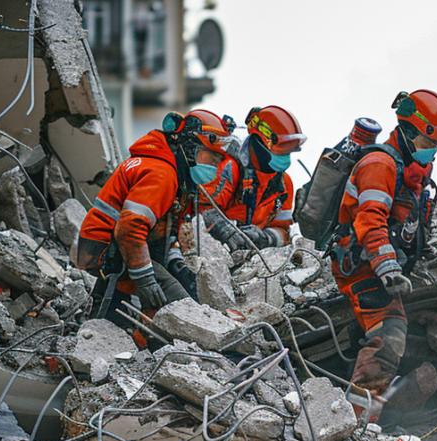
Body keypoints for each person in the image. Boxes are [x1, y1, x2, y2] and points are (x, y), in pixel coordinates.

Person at [333, 89, 437, 420]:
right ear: (410, 131)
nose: (436, 150)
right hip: (360, 264)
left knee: (386, 333)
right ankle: (352, 422)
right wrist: (387, 267)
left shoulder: (412, 171)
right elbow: (369, 219)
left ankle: (354, 412)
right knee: (389, 337)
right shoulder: (379, 164)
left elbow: (408, 222)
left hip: (379, 262)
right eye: (433, 141)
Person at [75, 109, 233, 337]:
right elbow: (130, 229)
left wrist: (174, 260)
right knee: (181, 305)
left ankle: (128, 333)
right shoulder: (162, 173)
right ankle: (160, 341)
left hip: (118, 247)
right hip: (108, 252)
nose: (216, 167)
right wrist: (145, 279)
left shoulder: (173, 172)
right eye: (213, 158)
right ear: (191, 148)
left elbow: (165, 228)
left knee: (179, 288)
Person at [205, 105, 305, 252]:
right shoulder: (230, 169)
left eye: (288, 151)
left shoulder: (284, 185)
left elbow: (283, 231)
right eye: (281, 150)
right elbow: (203, 212)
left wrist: (265, 238)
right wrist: (228, 233)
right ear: (259, 142)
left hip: (253, 260)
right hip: (216, 253)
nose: (285, 159)